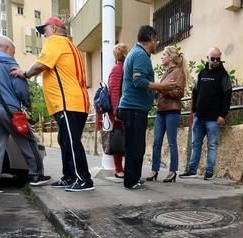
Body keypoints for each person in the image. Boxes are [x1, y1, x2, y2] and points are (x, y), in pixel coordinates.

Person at [11, 17, 94, 192]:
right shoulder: (70, 46)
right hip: (75, 102)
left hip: (68, 103)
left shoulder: (55, 42)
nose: (44, 34)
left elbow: (40, 65)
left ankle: (84, 179)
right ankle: (69, 176)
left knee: (71, 142)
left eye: (45, 30)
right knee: (64, 140)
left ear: (55, 28)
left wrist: (24, 73)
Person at [0, 36, 51, 195]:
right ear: (7, 49)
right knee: (28, 141)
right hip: (9, 110)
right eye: (13, 52)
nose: (13, 56)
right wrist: (27, 104)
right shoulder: (9, 63)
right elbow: (21, 89)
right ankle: (36, 175)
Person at [117, 25, 176, 189]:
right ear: (150, 37)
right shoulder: (140, 55)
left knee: (135, 146)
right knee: (135, 147)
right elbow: (139, 81)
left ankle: (133, 178)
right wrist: (161, 87)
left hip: (134, 108)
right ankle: (131, 181)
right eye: (155, 39)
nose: (156, 43)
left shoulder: (136, 54)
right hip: (134, 109)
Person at [180, 47, 232, 180]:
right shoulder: (202, 73)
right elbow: (195, 92)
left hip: (213, 118)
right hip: (199, 116)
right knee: (195, 144)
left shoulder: (223, 76)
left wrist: (222, 115)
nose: (215, 61)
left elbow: (227, 96)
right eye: (213, 58)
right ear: (207, 58)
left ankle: (209, 172)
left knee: (212, 145)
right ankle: (191, 170)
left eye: (218, 59)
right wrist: (194, 111)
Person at [145, 46, 189, 184]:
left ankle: (172, 171)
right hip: (161, 111)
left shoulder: (178, 72)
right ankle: (154, 170)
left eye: (164, 54)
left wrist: (162, 89)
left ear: (171, 57)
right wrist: (161, 88)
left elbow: (180, 93)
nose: (162, 56)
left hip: (172, 110)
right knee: (156, 142)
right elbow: (162, 89)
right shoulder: (166, 73)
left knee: (171, 142)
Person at [96, 43, 129, 179]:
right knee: (118, 139)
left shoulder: (121, 68)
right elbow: (115, 92)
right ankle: (119, 169)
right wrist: (116, 112)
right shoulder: (118, 69)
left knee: (123, 139)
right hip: (119, 111)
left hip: (121, 109)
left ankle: (123, 169)